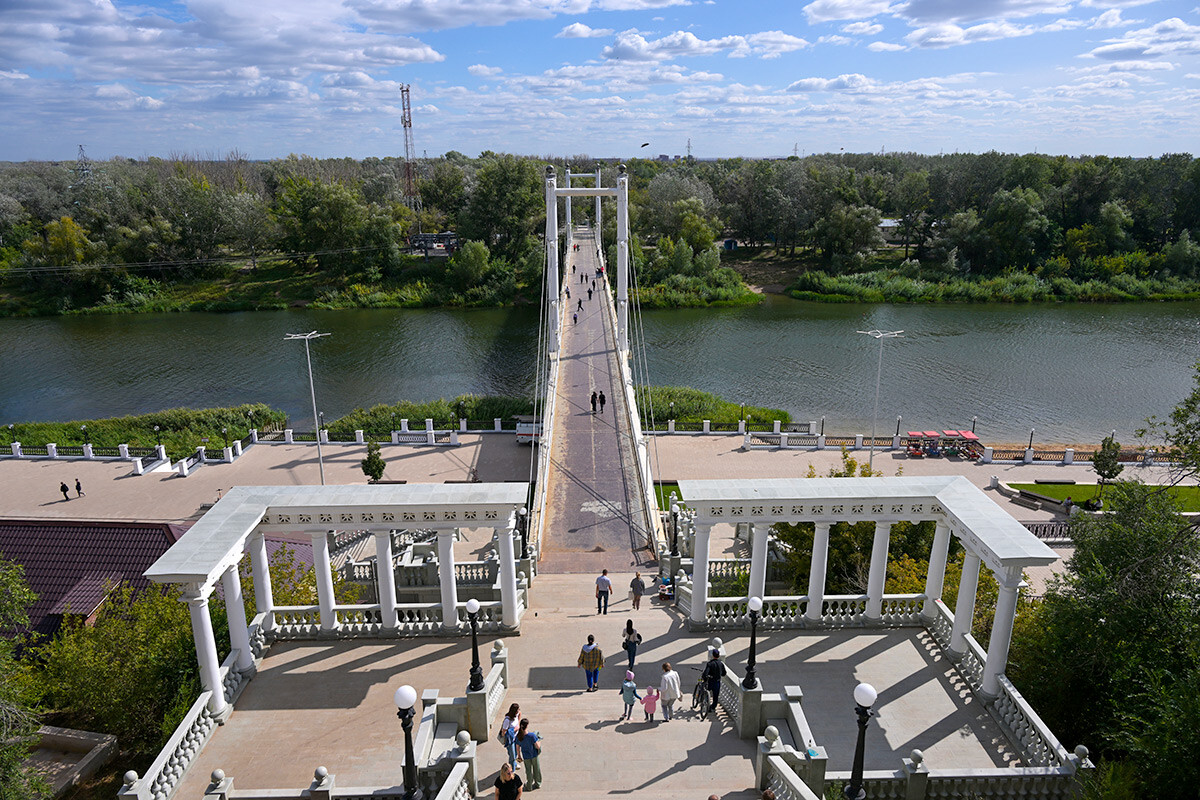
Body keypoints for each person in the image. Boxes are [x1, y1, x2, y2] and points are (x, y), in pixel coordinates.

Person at [515, 718, 542, 790]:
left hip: (526, 756)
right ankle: (538, 783)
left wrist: (519, 756)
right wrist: (539, 740)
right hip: (534, 755)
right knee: (536, 769)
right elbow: (537, 746)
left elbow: (517, 747)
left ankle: (529, 785)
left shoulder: (519, 736)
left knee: (528, 771)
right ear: (527, 726)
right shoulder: (532, 735)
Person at [701, 649, 726, 716]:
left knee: (706, 691)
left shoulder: (710, 664)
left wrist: (704, 677)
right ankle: (713, 707)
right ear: (719, 655)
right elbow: (724, 673)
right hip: (717, 682)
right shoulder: (721, 664)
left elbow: (705, 673)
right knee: (715, 696)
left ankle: (704, 703)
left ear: (712, 655)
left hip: (710, 681)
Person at [500, 703, 521, 771]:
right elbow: (504, 732)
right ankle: (512, 771)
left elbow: (520, 714)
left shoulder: (516, 714)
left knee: (515, 753)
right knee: (512, 756)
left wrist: (518, 723)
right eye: (518, 710)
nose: (519, 711)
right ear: (514, 711)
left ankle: (514, 764)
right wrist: (515, 729)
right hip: (510, 740)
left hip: (516, 738)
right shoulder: (507, 720)